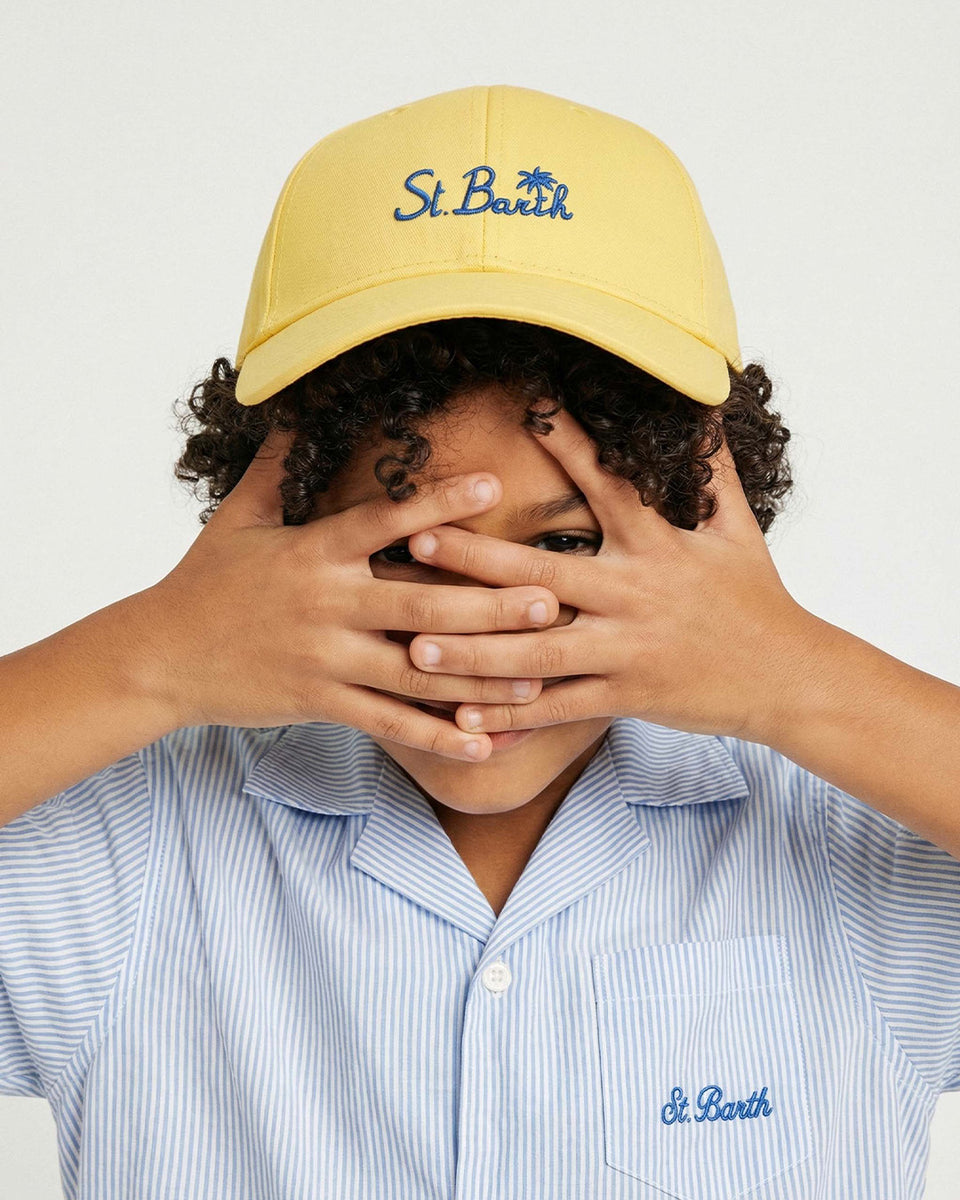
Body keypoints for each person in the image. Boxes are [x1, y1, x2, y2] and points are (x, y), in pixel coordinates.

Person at [1, 83, 958, 1200]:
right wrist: (152, 659)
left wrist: (792, 678)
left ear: (698, 512)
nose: (478, 633)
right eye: (403, 549)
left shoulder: (852, 831)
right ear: (284, 525)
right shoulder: (131, 840)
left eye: (564, 545)